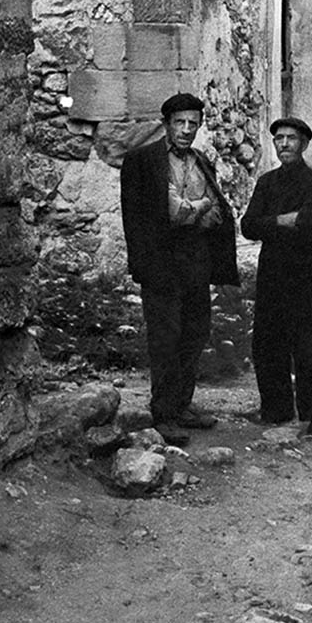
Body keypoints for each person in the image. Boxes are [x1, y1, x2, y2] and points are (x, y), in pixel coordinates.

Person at [120, 93, 239, 446]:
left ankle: (183, 404)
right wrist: (198, 208)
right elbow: (167, 215)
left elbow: (219, 214)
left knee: (194, 334)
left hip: (196, 263)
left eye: (193, 123)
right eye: (179, 123)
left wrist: (196, 209)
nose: (186, 130)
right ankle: (164, 413)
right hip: (161, 264)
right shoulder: (143, 161)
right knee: (165, 338)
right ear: (166, 124)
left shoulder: (201, 161)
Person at [240, 117, 312, 436]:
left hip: (307, 272)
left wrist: (273, 223)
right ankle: (276, 409)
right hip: (272, 271)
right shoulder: (266, 183)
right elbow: (248, 226)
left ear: (304, 144)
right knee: (268, 342)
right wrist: (283, 220)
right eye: (279, 138)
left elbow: (310, 227)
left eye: (291, 139)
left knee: (310, 344)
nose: (284, 144)